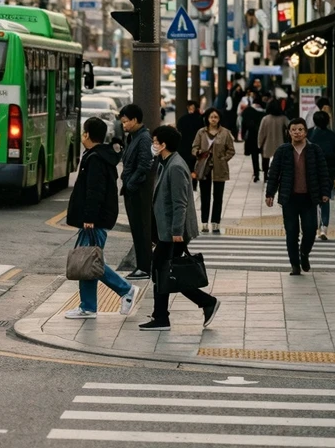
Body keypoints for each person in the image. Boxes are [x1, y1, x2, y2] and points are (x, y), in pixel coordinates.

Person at [138, 125, 221, 331]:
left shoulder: (175, 166)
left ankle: (168, 315)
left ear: (163, 144)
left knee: (164, 270)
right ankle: (164, 315)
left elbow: (180, 202)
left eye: (155, 142)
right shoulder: (165, 163)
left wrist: (176, 232)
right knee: (164, 271)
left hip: (174, 232)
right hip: (168, 230)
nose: (153, 145)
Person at [63, 117, 138, 320]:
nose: (82, 135)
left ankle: (125, 290)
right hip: (98, 217)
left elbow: (94, 191)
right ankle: (88, 306)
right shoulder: (100, 155)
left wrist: (89, 217)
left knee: (89, 261)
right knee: (89, 260)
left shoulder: (95, 158)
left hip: (95, 219)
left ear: (87, 134)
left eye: (83, 132)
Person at [266, 118, 330, 275]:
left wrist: (325, 193)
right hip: (289, 198)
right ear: (289, 132)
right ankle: (295, 264)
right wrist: (270, 193)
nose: (297, 132)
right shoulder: (283, 151)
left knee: (310, 230)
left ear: (306, 132)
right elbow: (274, 174)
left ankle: (304, 253)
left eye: (300, 129)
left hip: (309, 198)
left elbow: (323, 172)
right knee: (291, 232)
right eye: (293, 130)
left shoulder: (314, 150)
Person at [118, 103, 155, 279]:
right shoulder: (133, 137)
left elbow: (144, 165)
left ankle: (144, 267)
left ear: (134, 120)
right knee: (137, 229)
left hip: (139, 191)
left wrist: (131, 184)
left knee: (141, 229)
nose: (124, 125)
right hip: (132, 189)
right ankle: (143, 265)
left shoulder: (144, 138)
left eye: (126, 121)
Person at [192, 108, 236, 233]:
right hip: (204, 168)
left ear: (219, 119)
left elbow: (231, 150)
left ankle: (216, 223)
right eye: (211, 117)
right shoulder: (201, 132)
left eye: (216, 117)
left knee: (218, 196)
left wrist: (223, 159)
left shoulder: (225, 133)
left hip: (219, 168)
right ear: (207, 118)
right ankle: (204, 223)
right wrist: (199, 153)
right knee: (205, 196)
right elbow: (194, 147)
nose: (213, 119)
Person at [309, 110, 335, 241]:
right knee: (325, 198)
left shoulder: (310, 134)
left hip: (312, 172)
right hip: (327, 172)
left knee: (311, 200)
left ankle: (314, 227)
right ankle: (324, 227)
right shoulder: (332, 135)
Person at [258, 100, 290, 180]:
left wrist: (259, 144)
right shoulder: (283, 118)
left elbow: (261, 133)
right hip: (280, 143)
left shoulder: (265, 119)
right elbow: (290, 126)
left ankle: (266, 175)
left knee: (265, 160)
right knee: (279, 161)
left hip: (267, 144)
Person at [239, 92, 267, 182]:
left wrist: (243, 135)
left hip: (252, 136)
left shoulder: (248, 111)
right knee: (264, 155)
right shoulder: (265, 112)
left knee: (254, 155)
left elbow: (243, 124)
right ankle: (266, 173)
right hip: (264, 136)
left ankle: (256, 173)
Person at [176, 100, 205, 165]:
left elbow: (179, 131)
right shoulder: (201, 119)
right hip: (197, 147)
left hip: (184, 147)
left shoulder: (182, 119)